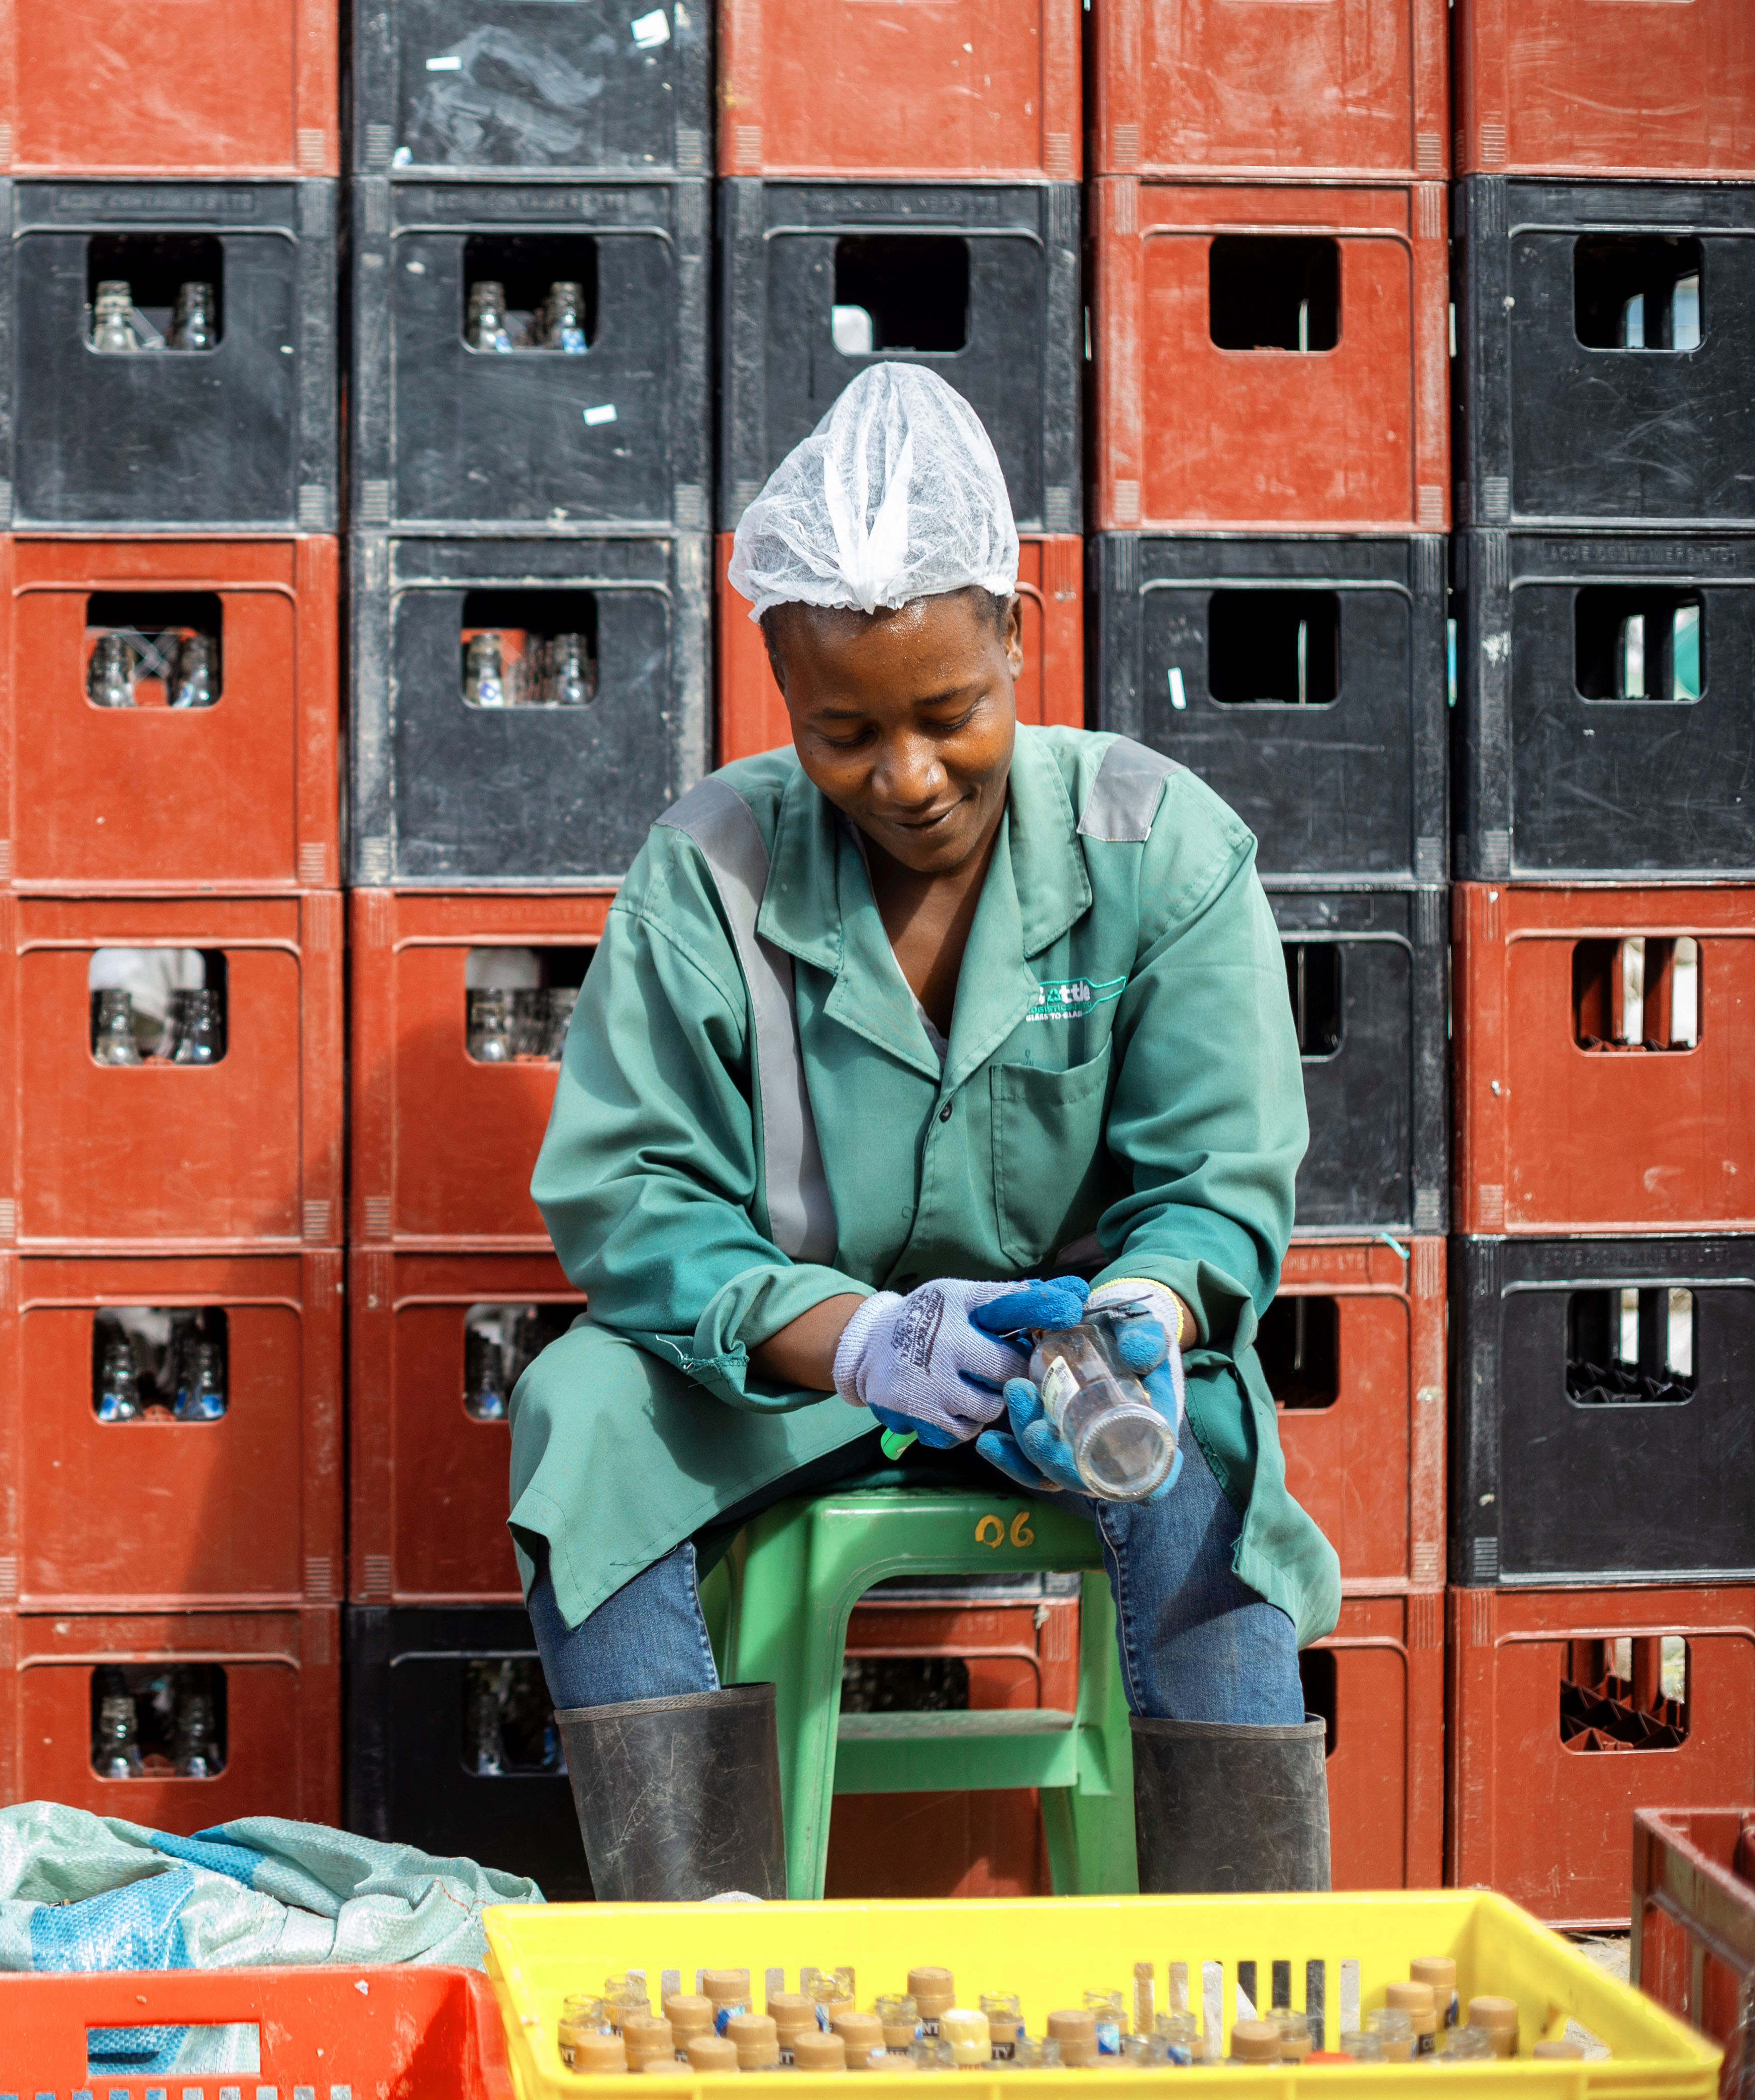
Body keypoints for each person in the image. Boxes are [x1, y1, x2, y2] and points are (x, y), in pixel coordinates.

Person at [512, 363, 1337, 1898]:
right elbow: (631, 1196)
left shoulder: (1162, 849)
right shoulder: (712, 870)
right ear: (778, 691)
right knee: (585, 1404)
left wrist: (1143, 1315)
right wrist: (856, 1338)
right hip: (803, 1375)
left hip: (1069, 1373)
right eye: (842, 734)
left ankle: (1241, 1976)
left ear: (1018, 636)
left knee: (1209, 1434)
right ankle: (701, 1961)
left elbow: (1217, 1186)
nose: (904, 778)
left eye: (949, 716)